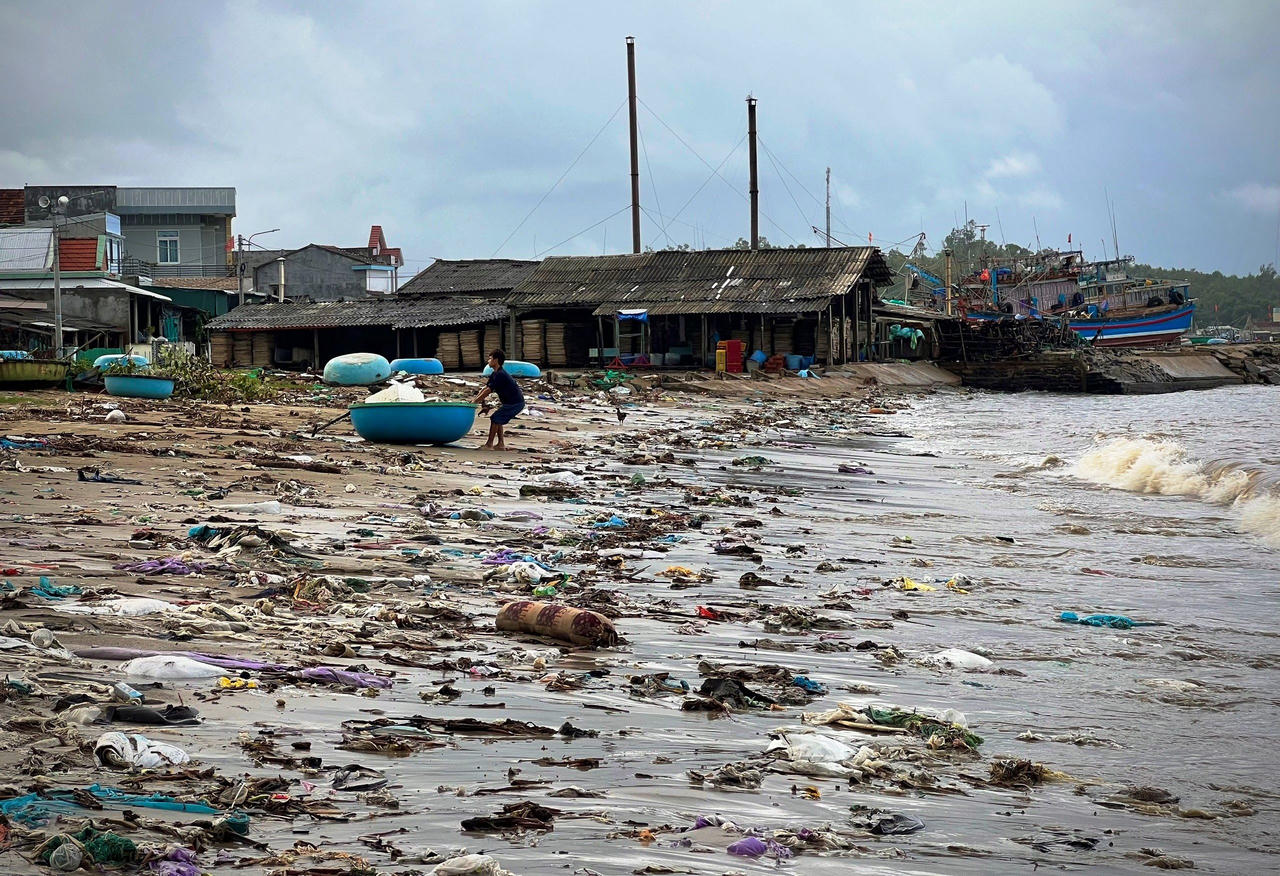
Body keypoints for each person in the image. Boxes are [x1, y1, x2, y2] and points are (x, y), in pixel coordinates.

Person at [473, 349, 524, 450]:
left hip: (515, 403)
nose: (488, 361)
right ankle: (500, 444)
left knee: (495, 418)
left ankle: (489, 444)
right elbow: (486, 388)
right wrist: (476, 400)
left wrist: (476, 401)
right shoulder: (495, 374)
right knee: (498, 419)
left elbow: (489, 391)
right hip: (510, 402)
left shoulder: (500, 374)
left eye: (490, 358)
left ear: (496, 360)